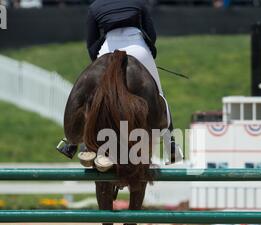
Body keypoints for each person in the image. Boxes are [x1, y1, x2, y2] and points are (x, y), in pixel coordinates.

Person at [57, 0, 183, 170]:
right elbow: (151, 34)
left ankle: (73, 142)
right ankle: (171, 145)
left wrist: (98, 63)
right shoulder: (138, 2)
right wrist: (150, 52)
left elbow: (91, 43)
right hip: (137, 46)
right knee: (159, 93)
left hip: (108, 47)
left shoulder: (95, 6)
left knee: (89, 90)